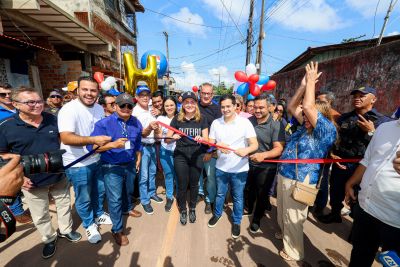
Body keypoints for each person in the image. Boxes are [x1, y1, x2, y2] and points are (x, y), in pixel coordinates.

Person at [0, 87, 81, 259]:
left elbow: (62, 143)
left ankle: (66, 231)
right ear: (15, 104)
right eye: (30, 102)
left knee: (64, 205)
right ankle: (49, 238)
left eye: (39, 101)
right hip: (31, 182)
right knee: (40, 214)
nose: (37, 105)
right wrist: (20, 178)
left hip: (59, 175)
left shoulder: (52, 119)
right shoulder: (6, 127)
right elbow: (2, 155)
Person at [276, 62, 337, 262]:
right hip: (285, 175)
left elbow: (309, 106)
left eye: (309, 115)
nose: (304, 116)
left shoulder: (325, 130)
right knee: (283, 213)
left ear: (321, 116)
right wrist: (303, 85)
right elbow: (292, 106)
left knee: (294, 218)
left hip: (301, 180)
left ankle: (294, 252)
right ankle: (286, 235)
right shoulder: (307, 126)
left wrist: (311, 81)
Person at [319, 86, 392, 224]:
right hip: (342, 164)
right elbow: (335, 139)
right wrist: (333, 154)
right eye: (355, 96)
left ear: (373, 99)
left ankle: (356, 227)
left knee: (358, 198)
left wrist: (372, 132)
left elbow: (386, 148)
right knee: (335, 191)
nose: (357, 98)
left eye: (362, 95)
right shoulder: (344, 118)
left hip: (362, 168)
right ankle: (335, 213)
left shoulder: (383, 122)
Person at [58, 76, 112, 244]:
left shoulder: (98, 108)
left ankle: (99, 214)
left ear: (98, 92)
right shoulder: (68, 110)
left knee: (99, 191)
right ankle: (89, 224)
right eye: (85, 89)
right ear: (78, 91)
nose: (89, 93)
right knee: (83, 197)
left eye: (93, 90)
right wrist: (93, 140)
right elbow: (66, 138)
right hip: (77, 164)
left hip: (96, 159)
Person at [88, 93, 142, 246]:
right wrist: (112, 145)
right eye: (122, 105)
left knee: (128, 191)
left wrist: (138, 157)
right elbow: (92, 147)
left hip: (130, 163)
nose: (126, 108)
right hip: (111, 165)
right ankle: (117, 230)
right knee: (115, 198)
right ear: (115, 106)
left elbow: (138, 142)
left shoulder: (136, 122)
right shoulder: (103, 124)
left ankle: (127, 208)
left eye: (129, 105)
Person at [344, 118, 400, 267]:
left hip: (395, 222)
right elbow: (368, 160)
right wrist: (351, 182)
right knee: (359, 257)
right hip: (366, 209)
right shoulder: (384, 128)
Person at [207, 94, 258, 239]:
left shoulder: (245, 123)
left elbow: (255, 144)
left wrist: (246, 150)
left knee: (237, 197)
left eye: (228, 106)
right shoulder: (216, 123)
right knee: (220, 194)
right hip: (221, 167)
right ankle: (217, 214)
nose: (225, 109)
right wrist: (218, 145)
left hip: (240, 169)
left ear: (236, 106)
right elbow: (211, 143)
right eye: (222, 107)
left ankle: (236, 221)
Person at [166, 91, 208, 225]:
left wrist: (202, 139)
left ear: (196, 104)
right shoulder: (177, 119)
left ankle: (193, 208)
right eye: (186, 102)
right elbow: (167, 139)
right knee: (182, 184)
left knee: (195, 184)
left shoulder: (202, 118)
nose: (189, 104)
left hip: (197, 155)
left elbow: (207, 140)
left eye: (192, 102)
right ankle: (183, 209)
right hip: (181, 156)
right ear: (182, 104)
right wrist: (172, 138)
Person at [247, 94, 285, 233]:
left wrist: (263, 155)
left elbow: (278, 149)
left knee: (262, 194)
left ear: (269, 108)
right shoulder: (248, 121)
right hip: (247, 164)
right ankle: (249, 209)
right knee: (249, 189)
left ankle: (257, 218)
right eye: (255, 107)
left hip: (266, 167)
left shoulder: (276, 125)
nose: (257, 110)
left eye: (261, 107)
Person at [0, 83, 32, 224]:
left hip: (21, 149)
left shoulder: (17, 107)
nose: (7, 96)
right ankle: (17, 212)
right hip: (6, 152)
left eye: (9, 93)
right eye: (3, 94)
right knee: (13, 182)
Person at [132, 85, 163, 215]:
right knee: (143, 176)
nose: (145, 97)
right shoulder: (134, 112)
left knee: (152, 172)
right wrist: (151, 128)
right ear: (136, 97)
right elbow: (140, 134)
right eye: (141, 95)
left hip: (152, 145)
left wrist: (157, 125)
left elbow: (157, 122)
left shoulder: (151, 109)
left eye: (147, 95)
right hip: (142, 148)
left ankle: (151, 193)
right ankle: (145, 200)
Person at [198, 83, 222, 214]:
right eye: (204, 93)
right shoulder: (193, 106)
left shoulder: (218, 110)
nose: (206, 96)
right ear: (200, 93)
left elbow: (219, 133)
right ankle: (199, 193)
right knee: (197, 176)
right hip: (195, 150)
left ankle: (209, 200)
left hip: (210, 151)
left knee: (211, 178)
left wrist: (211, 151)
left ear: (212, 95)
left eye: (209, 93)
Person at [157, 96, 178, 212]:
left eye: (171, 105)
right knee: (169, 175)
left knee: (179, 176)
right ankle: (169, 197)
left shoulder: (181, 118)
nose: (169, 107)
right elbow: (159, 135)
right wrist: (168, 137)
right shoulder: (160, 118)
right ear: (163, 107)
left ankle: (179, 195)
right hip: (165, 151)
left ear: (175, 105)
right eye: (167, 105)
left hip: (179, 153)